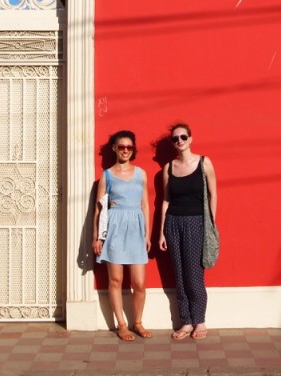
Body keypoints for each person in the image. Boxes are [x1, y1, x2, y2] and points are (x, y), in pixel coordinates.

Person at [158, 122, 218, 340]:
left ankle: (200, 321)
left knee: (194, 276)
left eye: (183, 137)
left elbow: (213, 194)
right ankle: (186, 321)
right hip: (173, 222)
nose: (180, 141)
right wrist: (162, 232)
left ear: (190, 139)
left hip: (196, 222)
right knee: (180, 276)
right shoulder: (168, 168)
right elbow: (165, 200)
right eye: (175, 139)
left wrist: (210, 224)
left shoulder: (204, 163)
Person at [92, 130, 153, 341]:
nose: (125, 150)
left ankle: (138, 322)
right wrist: (97, 237)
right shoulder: (107, 175)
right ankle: (122, 324)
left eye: (129, 147)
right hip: (115, 227)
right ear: (114, 149)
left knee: (139, 283)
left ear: (133, 149)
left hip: (136, 228)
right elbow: (100, 209)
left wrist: (147, 234)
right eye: (121, 147)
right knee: (116, 279)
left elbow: (145, 204)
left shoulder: (141, 174)